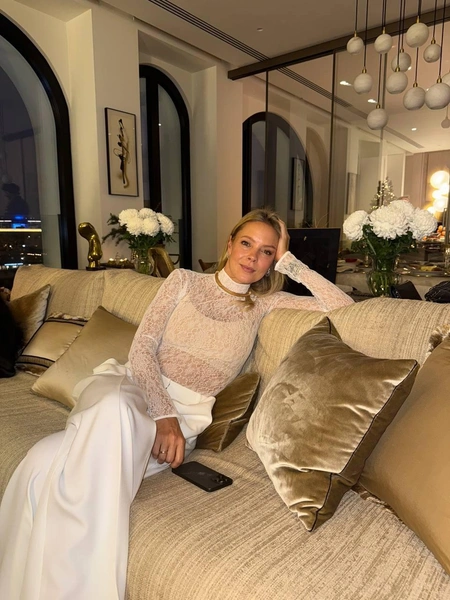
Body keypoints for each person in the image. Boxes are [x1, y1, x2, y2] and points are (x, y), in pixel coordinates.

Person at [0, 208, 353, 600]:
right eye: (247, 243)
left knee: (40, 463)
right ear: (229, 244)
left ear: (273, 260)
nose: (254, 256)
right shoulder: (183, 280)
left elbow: (341, 305)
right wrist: (162, 414)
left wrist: (290, 261)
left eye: (266, 251)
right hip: (131, 385)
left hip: (185, 415)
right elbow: (143, 347)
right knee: (112, 407)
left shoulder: (265, 304)